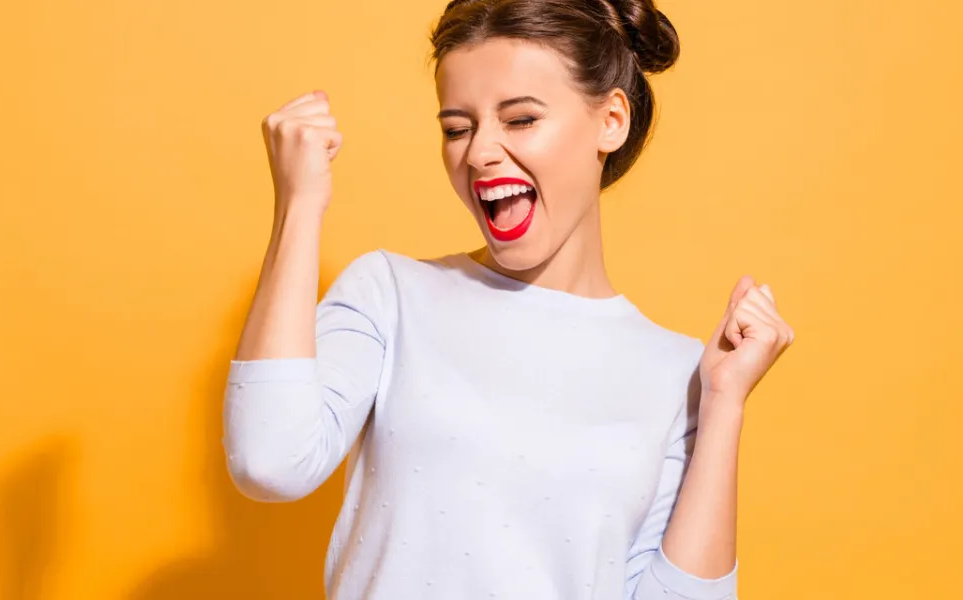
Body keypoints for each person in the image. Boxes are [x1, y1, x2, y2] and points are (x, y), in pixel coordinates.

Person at [223, 0, 794, 598]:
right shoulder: (390, 296)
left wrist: (726, 403)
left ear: (612, 120)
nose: (478, 153)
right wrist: (298, 206)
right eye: (457, 128)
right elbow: (269, 460)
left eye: (520, 119)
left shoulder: (681, 373)